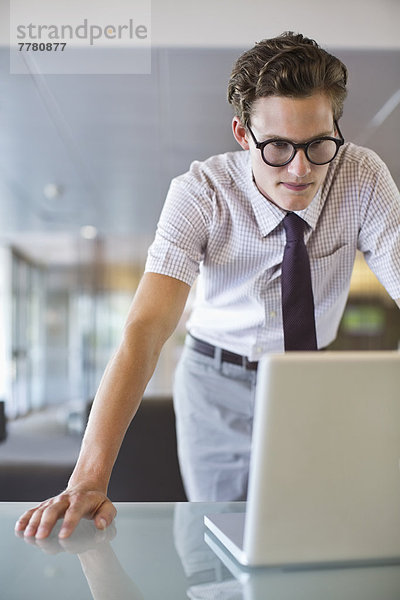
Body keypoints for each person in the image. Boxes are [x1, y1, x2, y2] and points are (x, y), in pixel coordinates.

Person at [15, 32, 400, 539]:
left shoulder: (361, 177)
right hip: (216, 378)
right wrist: (89, 477)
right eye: (279, 147)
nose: (302, 169)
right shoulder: (200, 195)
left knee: (309, 525)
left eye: (318, 144)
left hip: (308, 379)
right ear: (243, 134)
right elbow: (145, 329)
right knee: (218, 535)